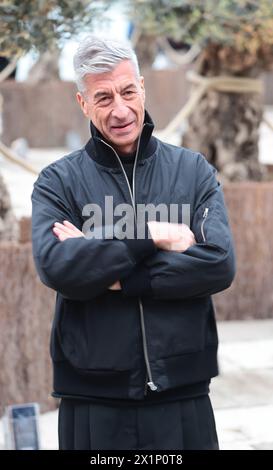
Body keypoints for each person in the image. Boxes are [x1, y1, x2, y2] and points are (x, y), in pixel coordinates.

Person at [31, 36, 236, 450]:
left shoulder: (193, 172)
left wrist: (112, 271)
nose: (120, 109)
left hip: (182, 392)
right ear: (83, 103)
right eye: (103, 97)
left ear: (142, 86)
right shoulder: (57, 183)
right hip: (92, 397)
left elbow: (218, 263)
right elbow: (58, 266)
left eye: (128, 91)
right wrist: (154, 236)